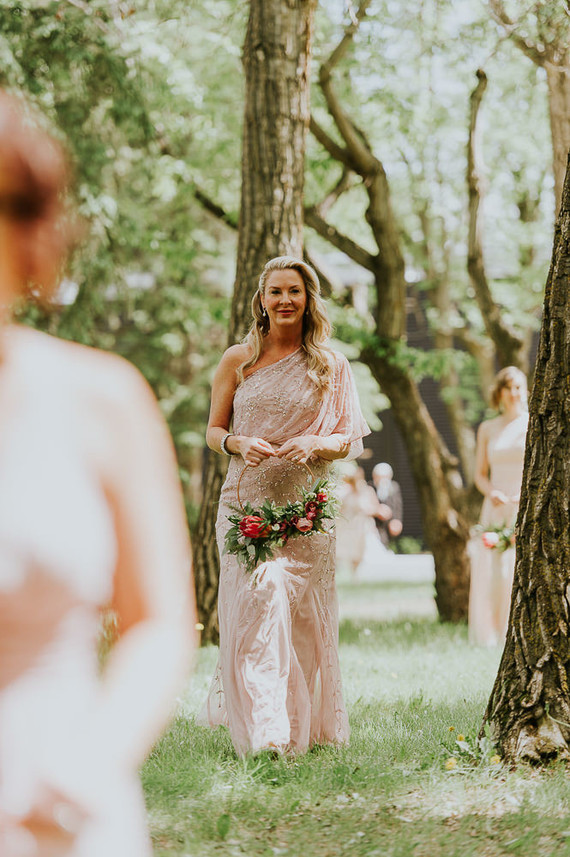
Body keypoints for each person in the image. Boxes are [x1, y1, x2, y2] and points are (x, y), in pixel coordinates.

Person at [0, 91, 196, 857]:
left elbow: (157, 624)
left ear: (31, 233)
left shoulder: (102, 398)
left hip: (57, 812)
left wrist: (89, 761)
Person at [200, 255, 369, 756]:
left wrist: (316, 444)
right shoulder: (239, 359)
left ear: (308, 299)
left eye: (294, 291)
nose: (285, 301)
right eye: (276, 291)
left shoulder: (330, 365)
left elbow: (348, 440)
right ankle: (266, 730)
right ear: (262, 299)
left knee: (298, 619)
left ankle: (296, 726)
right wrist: (237, 443)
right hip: (244, 505)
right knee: (258, 603)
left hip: (306, 510)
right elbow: (213, 430)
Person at [468, 366, 529, 647]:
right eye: (509, 388)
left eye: (519, 387)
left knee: (515, 568)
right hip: (494, 506)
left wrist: (524, 495)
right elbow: (480, 474)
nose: (514, 393)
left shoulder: (532, 424)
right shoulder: (488, 428)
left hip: (523, 504)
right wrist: (491, 492)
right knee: (491, 570)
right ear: (500, 393)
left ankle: (517, 629)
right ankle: (489, 634)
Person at [336, 467, 386, 579]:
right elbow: (340, 509)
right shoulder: (345, 492)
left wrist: (370, 511)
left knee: (360, 550)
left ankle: (356, 574)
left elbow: (375, 508)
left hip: (362, 525)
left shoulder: (368, 491)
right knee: (345, 549)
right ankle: (345, 573)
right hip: (348, 525)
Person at [371, 462, 403, 549]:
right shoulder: (370, 487)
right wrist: (377, 510)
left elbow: (397, 505)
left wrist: (396, 520)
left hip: (389, 522)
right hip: (375, 525)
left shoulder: (394, 487)